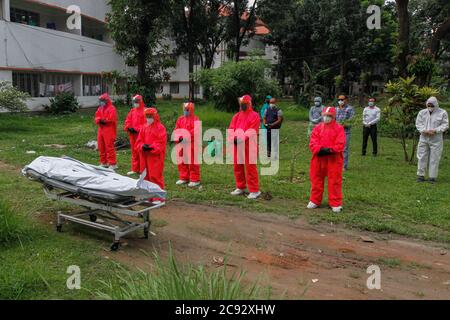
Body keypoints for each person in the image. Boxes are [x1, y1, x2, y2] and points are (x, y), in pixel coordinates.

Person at [307, 107, 346, 213]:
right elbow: (312, 142)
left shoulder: (339, 128)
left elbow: (340, 144)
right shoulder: (318, 128)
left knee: (334, 181)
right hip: (319, 158)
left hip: (333, 158)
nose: (326, 118)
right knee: (316, 179)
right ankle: (315, 200)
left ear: (333, 117)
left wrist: (330, 150)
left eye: (329, 116)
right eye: (325, 115)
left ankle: (335, 202)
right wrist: (320, 150)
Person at [229, 95, 261, 200]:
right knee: (237, 166)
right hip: (237, 145)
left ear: (249, 104)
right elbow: (231, 128)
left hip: (249, 145)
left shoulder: (255, 115)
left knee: (250, 168)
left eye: (244, 104)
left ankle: (254, 190)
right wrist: (234, 138)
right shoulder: (237, 116)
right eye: (241, 104)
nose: (242, 106)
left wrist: (242, 138)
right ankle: (240, 186)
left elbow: (253, 130)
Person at [415, 97, 449, 183]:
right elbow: (418, 123)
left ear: (436, 105)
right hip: (424, 137)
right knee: (422, 156)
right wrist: (424, 130)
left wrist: (435, 130)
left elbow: (445, 125)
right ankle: (420, 175)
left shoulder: (442, 113)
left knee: (434, 158)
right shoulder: (422, 113)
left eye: (432, 105)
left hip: (436, 139)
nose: (430, 107)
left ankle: (432, 177)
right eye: (428, 105)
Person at [136, 108, 167, 201]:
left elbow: (161, 143)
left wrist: (151, 147)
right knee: (144, 176)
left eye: (150, 116)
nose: (148, 118)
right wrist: (142, 146)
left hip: (155, 157)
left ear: (155, 116)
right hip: (144, 156)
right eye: (147, 116)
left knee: (155, 177)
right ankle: (147, 196)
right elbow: (138, 141)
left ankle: (158, 198)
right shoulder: (144, 127)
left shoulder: (160, 128)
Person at [174, 102, 201, 187]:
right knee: (182, 161)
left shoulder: (196, 120)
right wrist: (179, 138)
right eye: (184, 110)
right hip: (181, 144)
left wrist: (185, 136)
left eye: (187, 110)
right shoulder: (180, 119)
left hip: (192, 144)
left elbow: (195, 131)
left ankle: (195, 179)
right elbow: (176, 130)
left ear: (191, 110)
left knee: (192, 161)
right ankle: (184, 177)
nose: (185, 111)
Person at [124, 94, 147, 176]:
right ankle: (135, 169)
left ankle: (142, 170)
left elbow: (146, 124)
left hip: (140, 136)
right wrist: (128, 127)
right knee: (134, 152)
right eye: (134, 102)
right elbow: (128, 120)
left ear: (140, 102)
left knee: (141, 153)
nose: (135, 103)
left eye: (136, 102)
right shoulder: (132, 111)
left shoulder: (145, 111)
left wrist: (136, 129)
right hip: (133, 135)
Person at [94, 93, 118, 170]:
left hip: (109, 129)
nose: (101, 102)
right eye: (100, 100)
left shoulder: (112, 108)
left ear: (106, 100)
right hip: (101, 128)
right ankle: (104, 162)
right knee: (101, 146)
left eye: (102, 100)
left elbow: (112, 119)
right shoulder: (100, 108)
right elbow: (97, 116)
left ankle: (112, 163)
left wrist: (105, 121)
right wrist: (99, 120)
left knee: (109, 146)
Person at [335, 95, 355, 170]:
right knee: (336, 148)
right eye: (339, 99)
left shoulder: (350, 109)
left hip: (345, 131)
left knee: (344, 149)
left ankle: (344, 166)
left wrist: (343, 124)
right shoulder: (336, 109)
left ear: (346, 100)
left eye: (342, 99)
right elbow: (334, 119)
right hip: (336, 132)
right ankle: (336, 164)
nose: (340, 101)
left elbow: (351, 120)